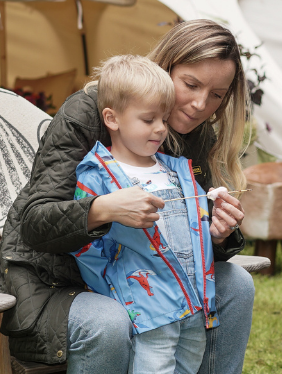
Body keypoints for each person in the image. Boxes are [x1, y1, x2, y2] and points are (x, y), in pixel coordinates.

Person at [0, 19, 253, 374]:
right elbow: (35, 223)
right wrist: (102, 209)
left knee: (236, 286)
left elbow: (179, 234)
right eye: (191, 84)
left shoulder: (194, 134)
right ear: (165, 67)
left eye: (216, 95)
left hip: (142, 277)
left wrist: (215, 232)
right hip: (54, 284)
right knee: (110, 321)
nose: (201, 104)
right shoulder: (89, 111)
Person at [71, 55, 218, 374]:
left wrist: (214, 219)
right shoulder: (98, 174)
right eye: (148, 119)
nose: (161, 128)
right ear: (112, 118)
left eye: (164, 119)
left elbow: (195, 229)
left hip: (193, 303)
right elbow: (84, 245)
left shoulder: (175, 169)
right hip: (147, 308)